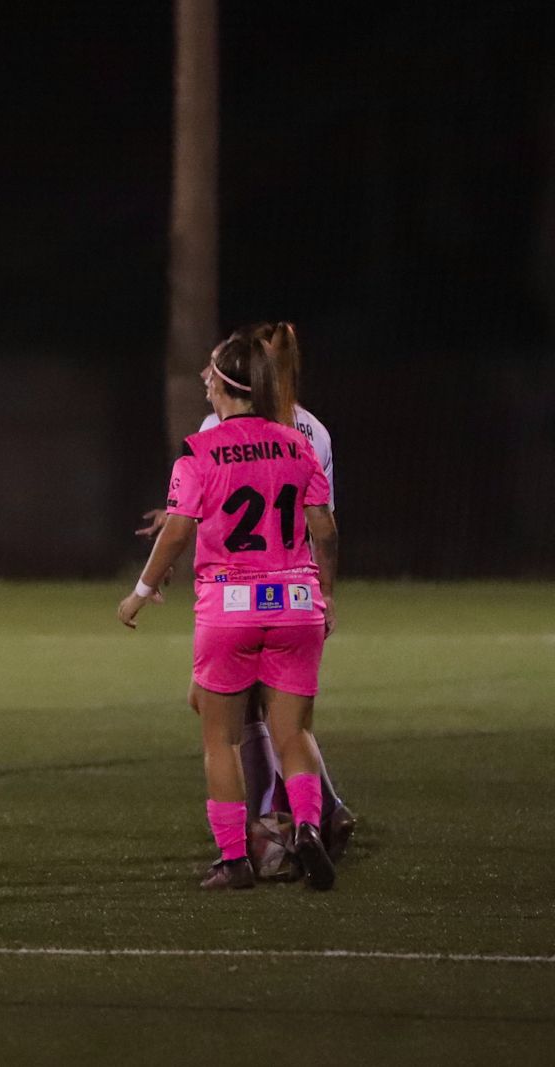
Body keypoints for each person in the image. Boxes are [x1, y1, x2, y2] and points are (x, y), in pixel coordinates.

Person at [118, 326, 340, 891]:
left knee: (223, 738)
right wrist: (324, 590)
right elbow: (325, 528)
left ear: (222, 384)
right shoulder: (297, 441)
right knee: (296, 733)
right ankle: (309, 826)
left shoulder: (200, 449)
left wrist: (142, 590)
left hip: (231, 605)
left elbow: (176, 534)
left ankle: (235, 858)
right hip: (295, 602)